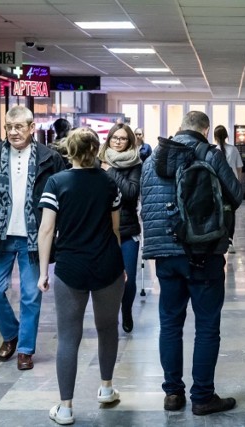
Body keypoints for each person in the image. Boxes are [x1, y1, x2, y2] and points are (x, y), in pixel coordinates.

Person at [140, 111, 243, 415]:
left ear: (180, 128)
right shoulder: (210, 154)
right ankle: (202, 396)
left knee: (170, 324)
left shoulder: (151, 160)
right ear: (204, 130)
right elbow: (236, 195)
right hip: (204, 251)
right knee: (207, 326)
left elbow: (147, 204)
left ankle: (172, 394)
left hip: (166, 255)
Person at [0, 105, 65, 371]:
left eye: (19, 126)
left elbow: (61, 196)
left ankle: (25, 349)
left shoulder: (49, 158)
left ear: (32, 128)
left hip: (34, 236)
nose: (13, 132)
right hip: (0, 235)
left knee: (31, 294)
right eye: (9, 127)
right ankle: (11, 334)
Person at [36, 127, 125, 425]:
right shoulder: (110, 184)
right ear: (96, 150)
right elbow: (115, 229)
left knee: (68, 336)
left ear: (69, 151)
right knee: (107, 328)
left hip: (70, 267)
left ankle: (65, 408)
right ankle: (106, 388)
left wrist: (43, 271)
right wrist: (122, 265)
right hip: (107, 265)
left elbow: (47, 230)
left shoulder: (56, 183)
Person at [98, 123, 142, 333]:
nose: (118, 141)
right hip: (103, 230)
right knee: (106, 278)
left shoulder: (135, 163)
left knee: (129, 279)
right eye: (115, 137)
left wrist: (112, 170)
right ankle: (109, 316)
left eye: (123, 138)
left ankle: (126, 310)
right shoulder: (98, 161)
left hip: (127, 229)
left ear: (130, 141)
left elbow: (131, 192)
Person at [213, 125, 243, 253]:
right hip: (231, 186)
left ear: (215, 137)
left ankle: (218, 238)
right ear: (226, 136)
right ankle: (229, 239)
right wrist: (238, 183)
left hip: (218, 186)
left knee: (218, 211)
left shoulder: (214, 150)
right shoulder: (234, 149)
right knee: (231, 212)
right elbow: (239, 168)